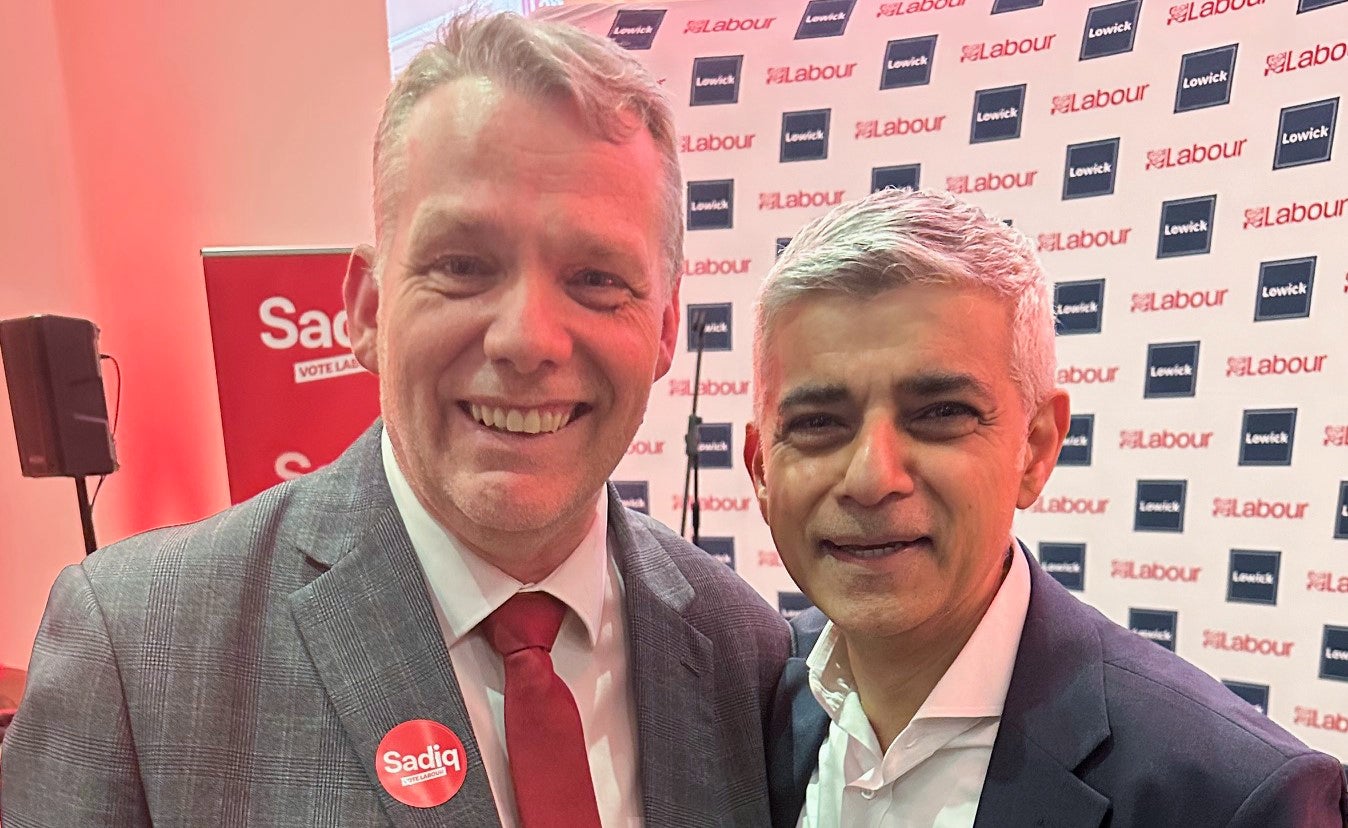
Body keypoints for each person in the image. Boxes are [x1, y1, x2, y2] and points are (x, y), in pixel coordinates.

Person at [1, 12, 789, 827]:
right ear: (368, 310)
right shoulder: (138, 652)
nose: (525, 339)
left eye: (595, 278)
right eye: (462, 266)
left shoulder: (745, 654)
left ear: (663, 330)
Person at [746, 188, 1348, 827]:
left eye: (942, 413)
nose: (871, 478)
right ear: (761, 468)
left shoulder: (1234, 799)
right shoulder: (736, 707)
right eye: (817, 422)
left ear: (1034, 450)